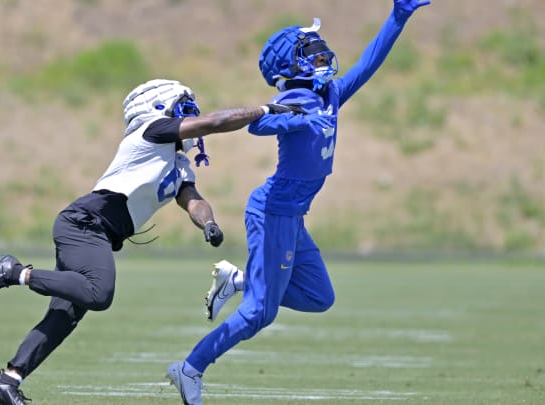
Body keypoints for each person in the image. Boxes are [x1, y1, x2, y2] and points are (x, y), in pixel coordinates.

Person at [0, 78, 305, 405]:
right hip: (85, 224)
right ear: (158, 106)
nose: (191, 112)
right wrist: (264, 109)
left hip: (95, 230)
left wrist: (209, 223)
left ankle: (8, 381)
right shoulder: (152, 131)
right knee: (98, 292)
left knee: (65, 315)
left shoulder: (177, 163)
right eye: (183, 106)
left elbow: (193, 199)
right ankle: (14, 272)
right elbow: (214, 122)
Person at [167, 1, 430, 403]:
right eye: (310, 51)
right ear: (290, 67)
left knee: (320, 297)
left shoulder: (331, 93)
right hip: (272, 212)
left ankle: (239, 280)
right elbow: (258, 123)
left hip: (293, 215)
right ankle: (189, 368)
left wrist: (399, 17)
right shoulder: (295, 100)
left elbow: (369, 62)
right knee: (259, 313)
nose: (322, 55)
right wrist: (293, 118)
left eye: (320, 47)